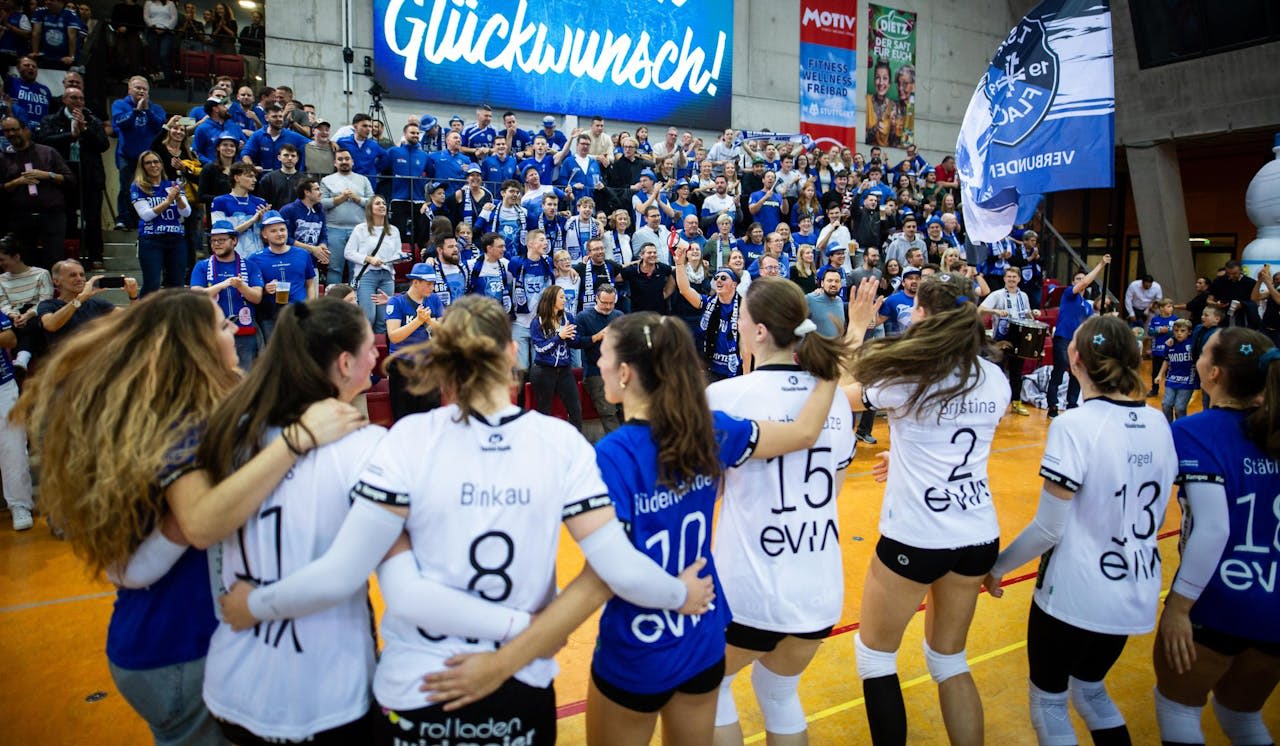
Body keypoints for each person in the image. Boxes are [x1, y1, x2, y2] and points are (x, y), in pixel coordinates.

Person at [218, 294, 715, 746]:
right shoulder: (561, 442)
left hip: (419, 687)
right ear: (513, 353)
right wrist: (679, 595)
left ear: (443, 357)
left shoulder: (405, 440)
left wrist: (255, 604)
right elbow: (619, 569)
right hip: (520, 680)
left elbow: (383, 585)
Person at [13, 289, 364, 744]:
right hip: (177, 647)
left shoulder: (181, 408)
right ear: (191, 346)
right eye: (220, 326)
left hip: (159, 640)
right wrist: (297, 439)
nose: (234, 330)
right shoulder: (180, 419)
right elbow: (197, 523)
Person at [983, 314, 1176, 746]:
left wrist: (997, 568)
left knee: (1049, 703)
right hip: (1136, 586)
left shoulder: (1074, 425)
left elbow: (1049, 528)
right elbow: (1161, 516)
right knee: (1091, 691)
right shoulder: (1160, 422)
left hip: (1075, 591)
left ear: (1074, 357)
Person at [841, 272, 1009, 746]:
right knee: (949, 660)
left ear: (923, 315)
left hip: (920, 534)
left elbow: (839, 394)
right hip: (977, 534)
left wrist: (857, 330)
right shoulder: (994, 377)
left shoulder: (908, 374)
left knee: (875, 656)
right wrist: (906, 455)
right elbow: (960, 440)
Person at [707, 276, 865, 746]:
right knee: (779, 693)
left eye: (740, 318)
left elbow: (706, 492)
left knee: (708, 688)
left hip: (752, 591)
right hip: (819, 588)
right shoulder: (832, 400)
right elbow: (832, 486)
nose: (736, 326)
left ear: (758, 331)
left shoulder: (727, 396)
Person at [1154, 327, 1280, 746]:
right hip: (1275, 604)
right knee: (1242, 718)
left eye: (1203, 352)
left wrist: (1178, 607)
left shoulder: (1194, 432)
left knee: (1178, 709)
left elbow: (1212, 528)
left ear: (1214, 374)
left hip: (1219, 600)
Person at [35, 84, 108, 270]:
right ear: (64, 100)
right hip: (64, 175)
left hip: (90, 175)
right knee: (67, 216)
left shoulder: (92, 120)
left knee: (92, 218)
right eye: (73, 98)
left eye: (81, 99)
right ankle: (70, 256)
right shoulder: (52, 120)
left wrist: (85, 130)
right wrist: (71, 135)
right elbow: (44, 140)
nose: (78, 102)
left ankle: (95, 256)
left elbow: (103, 144)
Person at [190, 219, 263, 370]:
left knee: (244, 377)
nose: (216, 244)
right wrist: (222, 285)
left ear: (234, 240)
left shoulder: (250, 266)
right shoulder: (202, 266)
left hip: (245, 330)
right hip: (213, 331)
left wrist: (242, 286)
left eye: (222, 240)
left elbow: (257, 297)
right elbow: (196, 297)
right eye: (213, 241)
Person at [0, 115, 71, 269]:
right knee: (25, 260)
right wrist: (16, 182)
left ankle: (54, 292)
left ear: (25, 130)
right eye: (6, 131)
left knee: (54, 259)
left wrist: (47, 175)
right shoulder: (4, 158)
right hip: (21, 217)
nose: (11, 134)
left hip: (52, 215)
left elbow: (69, 179)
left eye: (15, 129)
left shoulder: (48, 152)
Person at [1047, 255, 1108, 418]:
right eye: (1078, 279)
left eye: (1083, 278)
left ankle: (1072, 404)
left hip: (1078, 342)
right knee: (1059, 371)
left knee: (1077, 373)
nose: (1082, 281)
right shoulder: (1068, 294)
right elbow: (1085, 282)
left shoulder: (1086, 306)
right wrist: (1101, 265)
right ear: (1074, 282)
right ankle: (1052, 406)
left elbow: (1088, 325)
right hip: (1063, 338)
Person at [980, 266, 1043, 416]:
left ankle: (1016, 403)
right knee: (998, 371)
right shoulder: (997, 295)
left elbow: (1028, 317)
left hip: (1019, 339)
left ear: (1019, 279)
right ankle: (995, 402)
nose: (1011, 279)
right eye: (1009, 277)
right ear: (1004, 279)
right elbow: (980, 310)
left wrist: (1033, 313)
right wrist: (995, 311)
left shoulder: (1024, 296)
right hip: (1001, 338)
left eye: (1014, 277)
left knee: (1017, 372)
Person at [384, 262, 444, 420]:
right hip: (402, 364)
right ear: (415, 282)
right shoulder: (396, 302)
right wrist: (417, 321)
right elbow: (394, 336)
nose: (432, 288)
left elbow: (445, 332)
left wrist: (429, 320)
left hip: (428, 364)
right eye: (428, 284)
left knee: (430, 416)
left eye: (433, 284)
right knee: (404, 416)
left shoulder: (434, 300)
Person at [674, 249, 743, 382]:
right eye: (716, 278)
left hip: (736, 372)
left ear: (734, 284)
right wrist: (679, 265)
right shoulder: (708, 303)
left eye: (723, 278)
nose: (718, 280)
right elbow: (685, 290)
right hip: (711, 368)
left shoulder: (745, 307)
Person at [248, 210, 317, 340]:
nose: (279, 234)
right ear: (264, 234)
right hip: (270, 316)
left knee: (301, 352)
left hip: (298, 313)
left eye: (282, 229)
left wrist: (310, 307)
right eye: (273, 231)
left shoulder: (303, 254)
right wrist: (265, 290)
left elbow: (310, 284)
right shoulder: (255, 259)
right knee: (275, 354)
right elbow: (252, 292)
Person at [131, 149, 190, 296]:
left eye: (156, 161)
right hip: (151, 239)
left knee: (177, 284)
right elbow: (146, 215)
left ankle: (173, 317)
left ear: (161, 164)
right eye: (148, 163)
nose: (153, 165)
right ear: (142, 167)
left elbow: (186, 212)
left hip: (176, 239)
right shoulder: (138, 187)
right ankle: (143, 317)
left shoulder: (173, 184)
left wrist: (178, 198)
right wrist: (168, 201)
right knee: (152, 283)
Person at [344, 194, 401, 334]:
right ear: (370, 209)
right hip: (367, 276)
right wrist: (368, 259)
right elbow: (348, 252)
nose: (382, 206)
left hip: (387, 275)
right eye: (378, 203)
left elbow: (398, 252)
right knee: (369, 317)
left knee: (383, 319)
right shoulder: (360, 229)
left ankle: (379, 353)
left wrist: (397, 258)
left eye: (384, 203)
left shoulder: (394, 230)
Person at [528, 284, 582, 430]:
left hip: (564, 370)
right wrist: (559, 336)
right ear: (551, 299)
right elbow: (540, 348)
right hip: (543, 371)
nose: (565, 300)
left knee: (576, 410)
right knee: (544, 412)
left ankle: (576, 446)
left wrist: (572, 337)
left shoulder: (568, 317)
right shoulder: (537, 322)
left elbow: (575, 342)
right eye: (562, 297)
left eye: (565, 297)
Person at [572, 282, 623, 436]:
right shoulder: (583, 316)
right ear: (596, 299)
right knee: (608, 413)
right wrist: (596, 337)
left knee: (627, 410)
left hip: (618, 371)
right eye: (604, 303)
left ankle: (630, 445)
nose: (608, 307)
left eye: (611, 303)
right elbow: (574, 343)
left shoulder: (619, 316)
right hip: (595, 372)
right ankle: (618, 449)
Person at [210, 161, 267, 259]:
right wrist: (252, 220)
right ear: (237, 178)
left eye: (255, 177)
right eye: (250, 176)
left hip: (259, 257)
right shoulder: (220, 202)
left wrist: (264, 222)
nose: (254, 180)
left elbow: (267, 235)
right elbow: (222, 234)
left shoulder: (260, 202)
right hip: (232, 258)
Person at [1157, 318, 1197, 422]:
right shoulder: (1170, 344)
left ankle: (1180, 428)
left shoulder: (1193, 343)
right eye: (1176, 330)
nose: (1179, 333)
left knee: (1180, 408)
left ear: (1189, 332)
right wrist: (1160, 374)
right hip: (1171, 380)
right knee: (1166, 404)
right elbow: (1166, 360)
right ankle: (1169, 427)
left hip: (1187, 381)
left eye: (1182, 331)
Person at [1147, 298, 1178, 398]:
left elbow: (1179, 333)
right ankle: (1154, 390)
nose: (1171, 308)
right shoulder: (1155, 319)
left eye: (1172, 306)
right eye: (1168, 306)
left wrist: (1168, 331)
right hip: (1157, 351)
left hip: (1170, 351)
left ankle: (1169, 392)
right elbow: (1150, 332)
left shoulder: (1175, 319)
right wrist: (1160, 330)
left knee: (1170, 372)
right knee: (1155, 372)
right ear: (1161, 308)